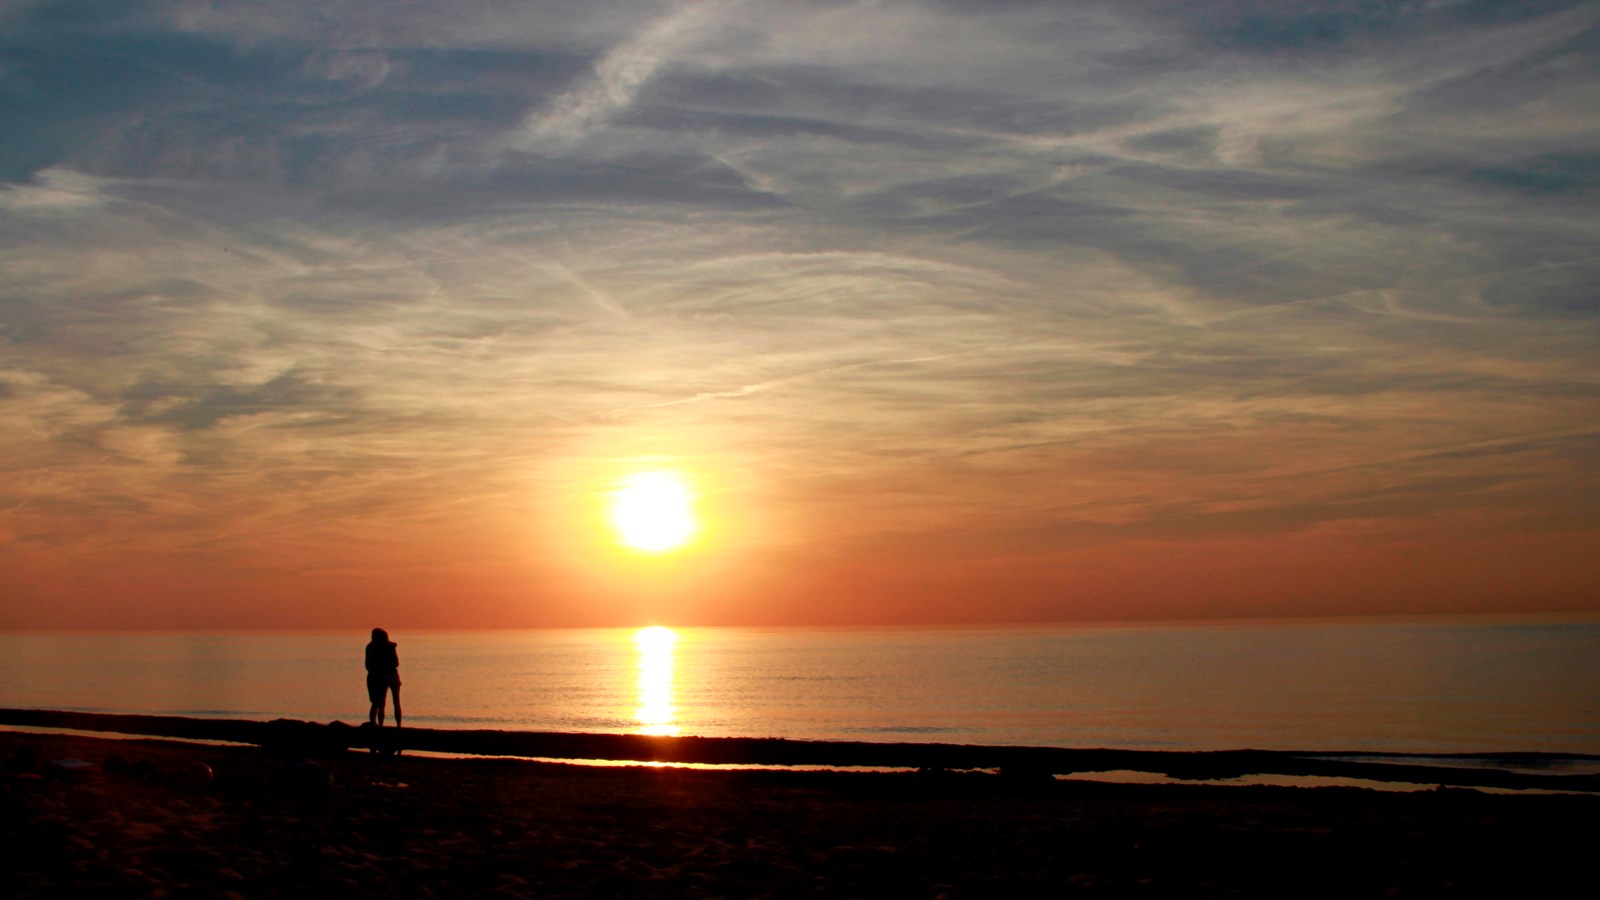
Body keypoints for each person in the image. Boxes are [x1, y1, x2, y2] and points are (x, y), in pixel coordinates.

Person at [365, 627, 402, 727]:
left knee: (380, 703)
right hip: (390, 675)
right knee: (395, 702)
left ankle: (380, 725)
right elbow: (396, 662)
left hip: (380, 676)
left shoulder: (371, 646)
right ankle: (398, 725)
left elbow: (368, 665)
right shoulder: (389, 646)